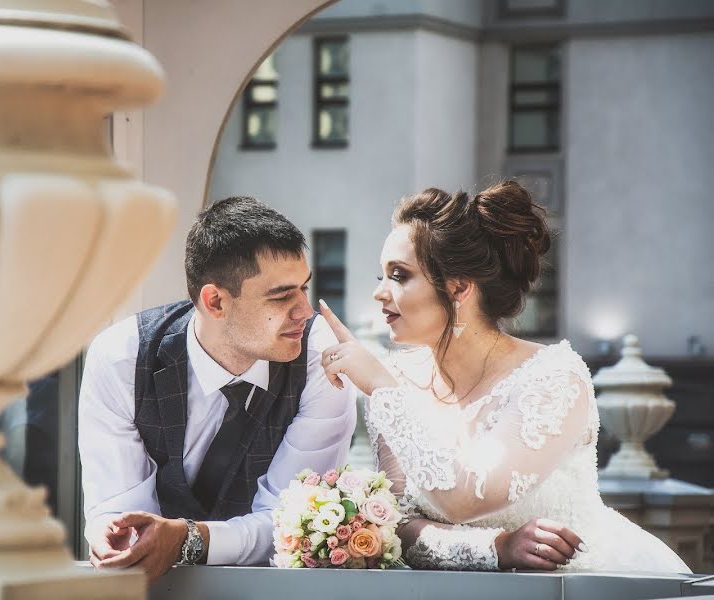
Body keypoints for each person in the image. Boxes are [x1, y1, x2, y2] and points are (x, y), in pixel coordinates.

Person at [316, 180, 690, 573]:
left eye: (399, 275)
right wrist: (496, 548)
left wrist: (380, 388)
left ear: (459, 287)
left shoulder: (552, 378)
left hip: (579, 583)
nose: (380, 293)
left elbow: (468, 496)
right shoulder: (396, 381)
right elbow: (400, 527)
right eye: (382, 276)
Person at [78, 196, 357, 581]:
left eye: (304, 289)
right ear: (215, 301)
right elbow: (117, 510)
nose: (304, 312)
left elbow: (291, 526)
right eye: (281, 296)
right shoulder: (122, 358)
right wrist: (119, 539)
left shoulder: (321, 359)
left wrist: (188, 539)